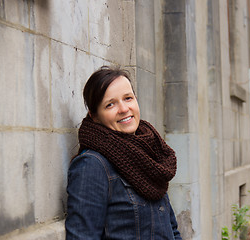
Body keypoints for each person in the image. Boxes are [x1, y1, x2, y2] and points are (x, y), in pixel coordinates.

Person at [65, 66, 182, 239]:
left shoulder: (148, 156)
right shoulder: (92, 165)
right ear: (94, 116)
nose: (123, 109)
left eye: (128, 98)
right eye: (110, 104)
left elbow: (172, 230)